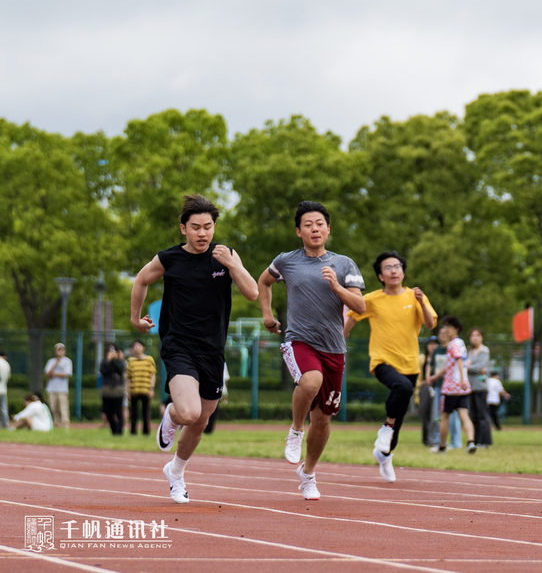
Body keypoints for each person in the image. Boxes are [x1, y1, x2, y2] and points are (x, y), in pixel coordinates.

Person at [131, 194, 258, 504]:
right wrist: (135, 318)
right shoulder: (169, 258)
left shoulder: (225, 255)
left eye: (209, 227)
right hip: (178, 345)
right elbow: (141, 279)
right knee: (189, 413)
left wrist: (231, 264)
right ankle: (172, 416)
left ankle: (176, 472)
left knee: (202, 420)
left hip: (212, 349)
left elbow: (252, 292)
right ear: (183, 229)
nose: (203, 233)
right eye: (196, 227)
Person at [258, 201, 365, 497]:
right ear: (298, 231)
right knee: (310, 380)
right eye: (308, 224)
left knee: (322, 421)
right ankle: (294, 430)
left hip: (334, 348)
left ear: (328, 229)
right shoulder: (286, 261)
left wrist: (338, 288)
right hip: (299, 340)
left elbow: (360, 306)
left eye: (320, 223)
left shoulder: (344, 264)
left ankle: (308, 474)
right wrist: (267, 314)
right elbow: (264, 282)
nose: (314, 228)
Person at [344, 250, 437, 480]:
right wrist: (338, 341)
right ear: (380, 276)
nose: (393, 270)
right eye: (387, 267)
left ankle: (385, 455)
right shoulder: (373, 299)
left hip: (410, 363)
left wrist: (421, 303)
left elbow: (430, 323)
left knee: (400, 416)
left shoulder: (415, 296)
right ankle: (386, 427)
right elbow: (351, 317)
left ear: (403, 272)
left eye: (397, 266)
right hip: (382, 360)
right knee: (403, 388)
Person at [431, 315, 476, 453]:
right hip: (463, 387)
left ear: (456, 329)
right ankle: (470, 442)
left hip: (451, 387)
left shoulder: (453, 344)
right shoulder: (461, 343)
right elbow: (451, 364)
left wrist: (462, 378)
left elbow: (458, 360)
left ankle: (442, 446)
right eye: (445, 327)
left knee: (444, 416)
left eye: (449, 327)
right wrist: (436, 376)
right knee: (464, 415)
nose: (446, 330)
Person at [467, 328, 492, 447]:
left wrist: (467, 366)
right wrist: (472, 367)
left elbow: (478, 367)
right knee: (474, 416)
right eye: (472, 335)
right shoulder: (470, 352)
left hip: (481, 387)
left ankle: (485, 441)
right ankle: (476, 441)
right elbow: (475, 368)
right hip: (470, 387)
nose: (475, 337)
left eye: (477, 335)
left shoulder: (484, 351)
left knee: (482, 415)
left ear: (481, 337)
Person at [125, 340, 157, 436]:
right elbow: (128, 377)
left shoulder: (149, 359)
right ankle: (133, 432)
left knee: (145, 412)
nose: (137, 348)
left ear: (143, 347)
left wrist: (151, 388)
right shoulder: (130, 361)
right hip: (134, 390)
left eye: (139, 346)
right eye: (135, 346)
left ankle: (146, 432)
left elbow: (153, 374)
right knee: (134, 412)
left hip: (145, 389)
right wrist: (128, 391)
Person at [44, 343, 72, 429]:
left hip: (62, 389)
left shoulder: (67, 361)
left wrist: (54, 374)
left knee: (63, 408)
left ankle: (65, 424)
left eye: (61, 350)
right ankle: (53, 424)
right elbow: (48, 373)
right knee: (52, 408)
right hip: (52, 388)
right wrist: (54, 365)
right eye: (58, 350)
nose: (59, 352)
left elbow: (66, 374)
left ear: (64, 351)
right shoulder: (51, 361)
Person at [100, 348, 126, 435]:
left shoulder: (120, 362)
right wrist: (108, 360)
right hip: (106, 391)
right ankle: (114, 429)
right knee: (108, 412)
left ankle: (119, 431)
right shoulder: (104, 362)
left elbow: (120, 370)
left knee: (118, 412)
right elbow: (103, 371)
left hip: (118, 391)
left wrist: (114, 360)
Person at [419, 338, 439, 447]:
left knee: (435, 414)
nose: (433, 346)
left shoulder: (439, 359)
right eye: (430, 344)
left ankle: (434, 438)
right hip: (425, 388)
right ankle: (426, 439)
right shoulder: (422, 359)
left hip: (436, 388)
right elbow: (417, 375)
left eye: (435, 344)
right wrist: (420, 384)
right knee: (424, 412)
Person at [0, 350, 11, 429]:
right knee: (3, 409)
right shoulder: (6, 364)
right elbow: (8, 378)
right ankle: (5, 426)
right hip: (3, 389)